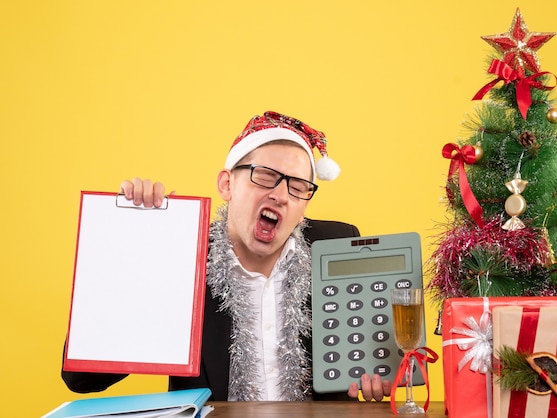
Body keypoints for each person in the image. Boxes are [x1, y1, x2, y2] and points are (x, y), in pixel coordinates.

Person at [61, 111, 392, 402]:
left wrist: (380, 373)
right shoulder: (181, 253)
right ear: (227, 184)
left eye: (298, 185)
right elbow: (82, 379)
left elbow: (377, 356)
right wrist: (139, 247)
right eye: (265, 175)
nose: (280, 195)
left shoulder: (334, 244)